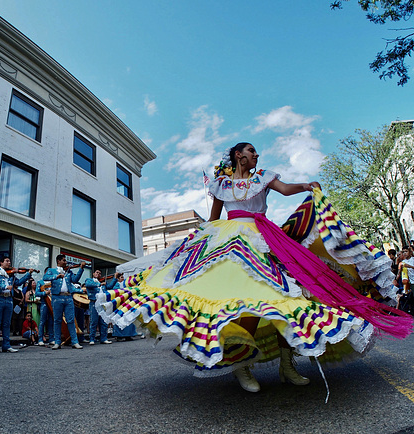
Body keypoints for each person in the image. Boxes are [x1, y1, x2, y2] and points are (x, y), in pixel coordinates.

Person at [97, 142, 412, 394]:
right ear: (238, 155)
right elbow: (214, 218)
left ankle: (288, 365)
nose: (256, 155)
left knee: (288, 297)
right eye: (251, 151)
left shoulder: (264, 177)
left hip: (265, 240)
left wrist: (306, 186)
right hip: (227, 241)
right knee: (237, 302)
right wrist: (198, 243)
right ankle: (240, 366)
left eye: (256, 153)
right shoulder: (221, 184)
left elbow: (287, 190)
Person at [43, 255, 85, 350]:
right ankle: (57, 342)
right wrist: (56, 276)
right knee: (57, 320)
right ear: (58, 261)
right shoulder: (51, 270)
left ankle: (75, 341)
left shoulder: (68, 271)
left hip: (68, 297)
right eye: (64, 260)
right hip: (57, 297)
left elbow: (75, 280)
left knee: (70, 320)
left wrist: (81, 269)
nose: (66, 262)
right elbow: (45, 277)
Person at [0, 257, 31, 353]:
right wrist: (4, 286)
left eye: (9, 261)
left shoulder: (11, 275)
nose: (9, 263)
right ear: (1, 262)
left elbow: (19, 282)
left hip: (8, 299)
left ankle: (6, 345)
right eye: (7, 261)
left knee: (7, 323)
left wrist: (28, 274)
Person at [83, 270, 111, 345]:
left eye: (99, 273)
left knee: (103, 321)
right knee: (94, 321)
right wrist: (100, 283)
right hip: (94, 302)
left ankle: (104, 338)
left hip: (102, 303)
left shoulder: (102, 283)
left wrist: (114, 278)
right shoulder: (89, 280)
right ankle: (92, 338)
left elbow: (110, 287)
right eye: (97, 272)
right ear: (93, 273)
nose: (98, 274)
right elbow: (88, 285)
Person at [35, 269, 54, 346]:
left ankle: (51, 338)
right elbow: (36, 293)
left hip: (51, 303)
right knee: (42, 321)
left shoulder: (52, 283)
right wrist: (45, 293)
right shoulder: (40, 282)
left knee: (51, 322)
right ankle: (40, 338)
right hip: (44, 303)